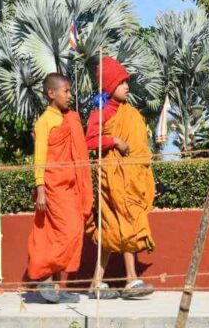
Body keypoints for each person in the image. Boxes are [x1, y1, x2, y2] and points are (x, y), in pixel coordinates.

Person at [86, 57, 156, 299]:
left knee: (114, 229)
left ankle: (97, 281)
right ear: (109, 87)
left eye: (127, 82)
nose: (127, 86)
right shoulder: (100, 113)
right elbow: (89, 140)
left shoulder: (131, 113)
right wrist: (114, 141)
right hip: (110, 179)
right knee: (118, 226)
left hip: (131, 178)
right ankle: (131, 279)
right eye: (121, 82)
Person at [27, 73, 92, 303]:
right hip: (53, 187)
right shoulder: (44, 121)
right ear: (51, 93)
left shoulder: (71, 119)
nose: (70, 96)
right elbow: (40, 157)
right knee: (64, 232)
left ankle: (55, 284)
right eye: (66, 91)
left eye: (70, 91)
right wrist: (41, 188)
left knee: (70, 232)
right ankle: (45, 278)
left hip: (70, 187)